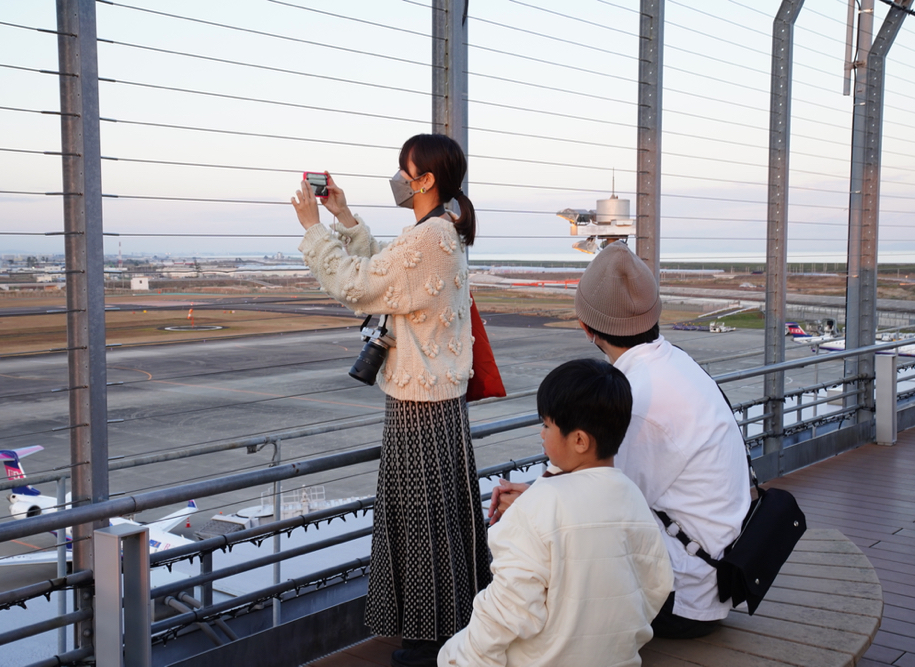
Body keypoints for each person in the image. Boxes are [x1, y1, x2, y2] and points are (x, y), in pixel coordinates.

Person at [291, 134, 491, 667]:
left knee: (419, 524)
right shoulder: (438, 231)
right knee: (442, 522)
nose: (399, 180)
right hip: (438, 404)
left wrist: (314, 227)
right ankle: (448, 631)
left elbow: (357, 284)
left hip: (419, 407)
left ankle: (428, 644)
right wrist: (345, 217)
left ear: (425, 180)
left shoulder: (429, 239)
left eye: (405, 171)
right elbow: (387, 267)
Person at [489, 242, 751, 639]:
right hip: (713, 572)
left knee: (527, 548)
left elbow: (600, 509)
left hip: (682, 599)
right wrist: (533, 494)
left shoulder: (639, 401)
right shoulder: (673, 362)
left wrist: (527, 505)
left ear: (585, 326)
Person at [439, 358, 672, 667]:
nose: (542, 434)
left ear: (579, 440)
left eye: (547, 425)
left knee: (452, 654)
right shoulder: (632, 496)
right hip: (619, 659)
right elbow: (656, 585)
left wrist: (459, 658)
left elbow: (507, 609)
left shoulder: (540, 506)